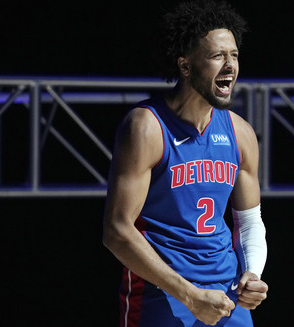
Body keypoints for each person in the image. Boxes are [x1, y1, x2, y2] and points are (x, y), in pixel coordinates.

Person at [102, 1, 268, 326]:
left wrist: (252, 273)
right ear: (186, 65)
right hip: (162, 293)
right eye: (218, 56)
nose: (230, 66)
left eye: (234, 55)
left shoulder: (240, 133)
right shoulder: (146, 126)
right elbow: (117, 230)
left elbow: (249, 222)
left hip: (226, 295)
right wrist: (190, 295)